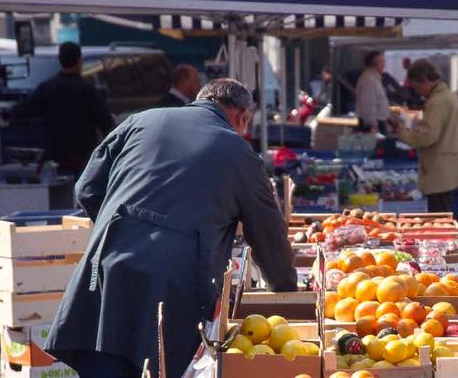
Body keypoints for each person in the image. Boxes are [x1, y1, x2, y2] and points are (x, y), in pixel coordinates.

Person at [44, 79, 298, 377]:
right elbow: (268, 233)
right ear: (242, 117)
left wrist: (125, 228)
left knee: (105, 362)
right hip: (176, 284)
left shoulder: (142, 121)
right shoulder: (240, 154)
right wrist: (286, 292)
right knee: (163, 363)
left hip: (109, 270)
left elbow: (87, 188)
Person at [10, 42, 115, 176]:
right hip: (83, 161)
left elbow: (22, 110)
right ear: (78, 61)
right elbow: (106, 123)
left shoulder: (47, 88)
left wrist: (8, 113)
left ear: (61, 61)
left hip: (56, 161)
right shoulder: (87, 90)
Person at [391, 59, 458, 215]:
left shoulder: (437, 101)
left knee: (439, 216)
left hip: (441, 170)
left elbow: (428, 136)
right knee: (445, 214)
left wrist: (403, 133)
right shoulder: (446, 96)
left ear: (424, 80)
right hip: (448, 166)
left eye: (416, 87)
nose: (417, 92)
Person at [355, 50, 390, 134]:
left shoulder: (373, 78)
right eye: (382, 61)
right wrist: (373, 125)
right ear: (375, 64)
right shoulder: (369, 80)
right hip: (374, 124)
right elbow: (367, 105)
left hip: (377, 122)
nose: (384, 64)